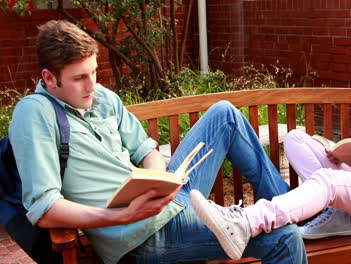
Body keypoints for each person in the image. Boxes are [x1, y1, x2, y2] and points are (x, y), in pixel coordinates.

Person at [8, 20, 306, 264]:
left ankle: (291, 207)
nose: (92, 85)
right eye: (79, 78)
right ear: (49, 78)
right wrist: (120, 215)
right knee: (284, 238)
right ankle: (287, 220)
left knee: (224, 114)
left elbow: (146, 151)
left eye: (95, 72)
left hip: (166, 202)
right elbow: (44, 208)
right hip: (142, 235)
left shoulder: (103, 99)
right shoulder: (35, 113)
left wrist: (159, 181)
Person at [190, 16, 351, 259]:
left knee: (329, 181)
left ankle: (247, 222)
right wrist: (341, 153)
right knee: (296, 138)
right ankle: (340, 218)